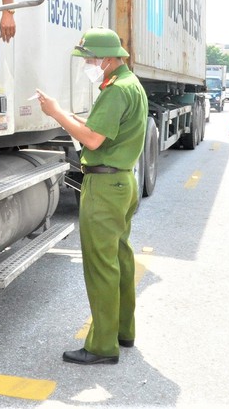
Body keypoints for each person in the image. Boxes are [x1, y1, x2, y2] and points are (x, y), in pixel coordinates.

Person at [35, 28, 147, 366]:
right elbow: (101, 129)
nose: (89, 64)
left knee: (102, 266)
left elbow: (94, 140)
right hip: (123, 183)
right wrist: (69, 117)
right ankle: (123, 331)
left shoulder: (115, 91)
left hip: (104, 186)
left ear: (109, 59)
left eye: (92, 59)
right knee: (120, 259)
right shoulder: (131, 85)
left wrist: (56, 113)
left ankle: (101, 346)